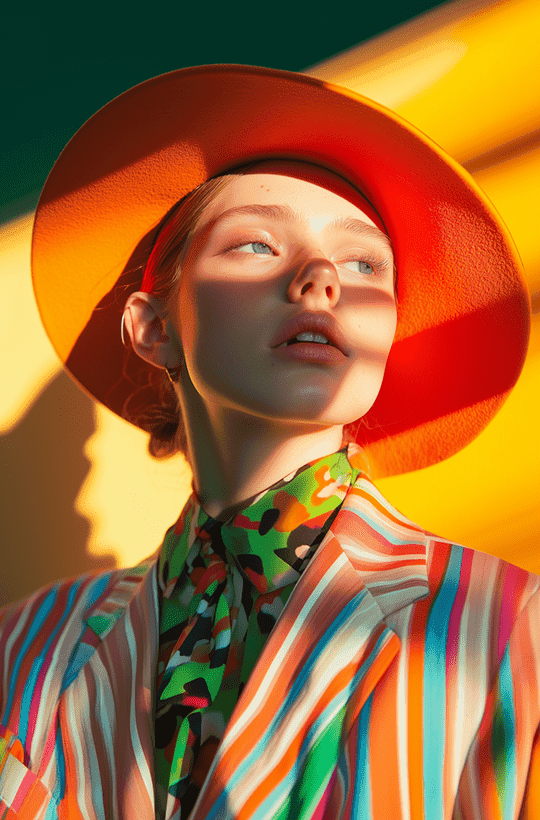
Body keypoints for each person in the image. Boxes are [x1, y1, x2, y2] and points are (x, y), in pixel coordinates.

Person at [0, 64, 538, 820]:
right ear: (154, 328)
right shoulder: (22, 647)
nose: (322, 277)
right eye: (256, 245)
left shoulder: (513, 627)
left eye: (364, 264)